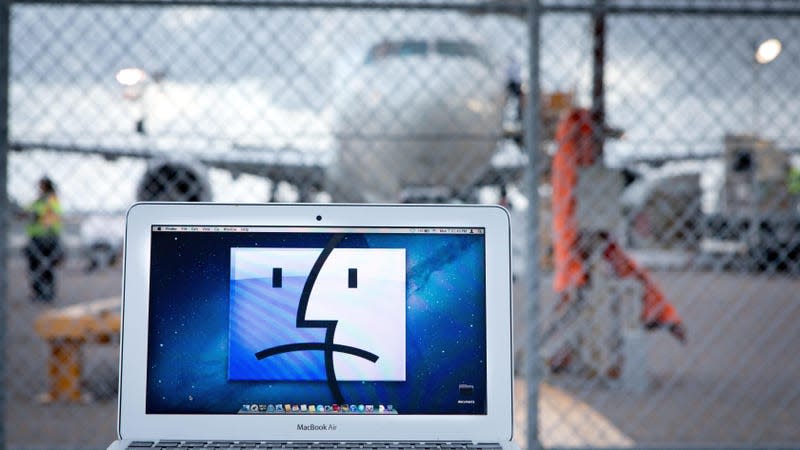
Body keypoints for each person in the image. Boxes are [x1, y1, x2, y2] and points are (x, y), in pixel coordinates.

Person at [546, 108, 686, 376]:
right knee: (597, 296)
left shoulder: (573, 168)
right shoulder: (572, 167)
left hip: (590, 237)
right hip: (587, 237)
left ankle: (591, 354)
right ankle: (583, 353)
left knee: (602, 294)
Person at [24, 177, 64, 302]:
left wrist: (37, 214)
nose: (39, 188)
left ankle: (48, 293)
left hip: (48, 238)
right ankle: (38, 292)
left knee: (47, 266)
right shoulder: (39, 200)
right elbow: (26, 211)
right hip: (36, 237)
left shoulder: (51, 199)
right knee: (34, 266)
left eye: (41, 185)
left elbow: (53, 214)